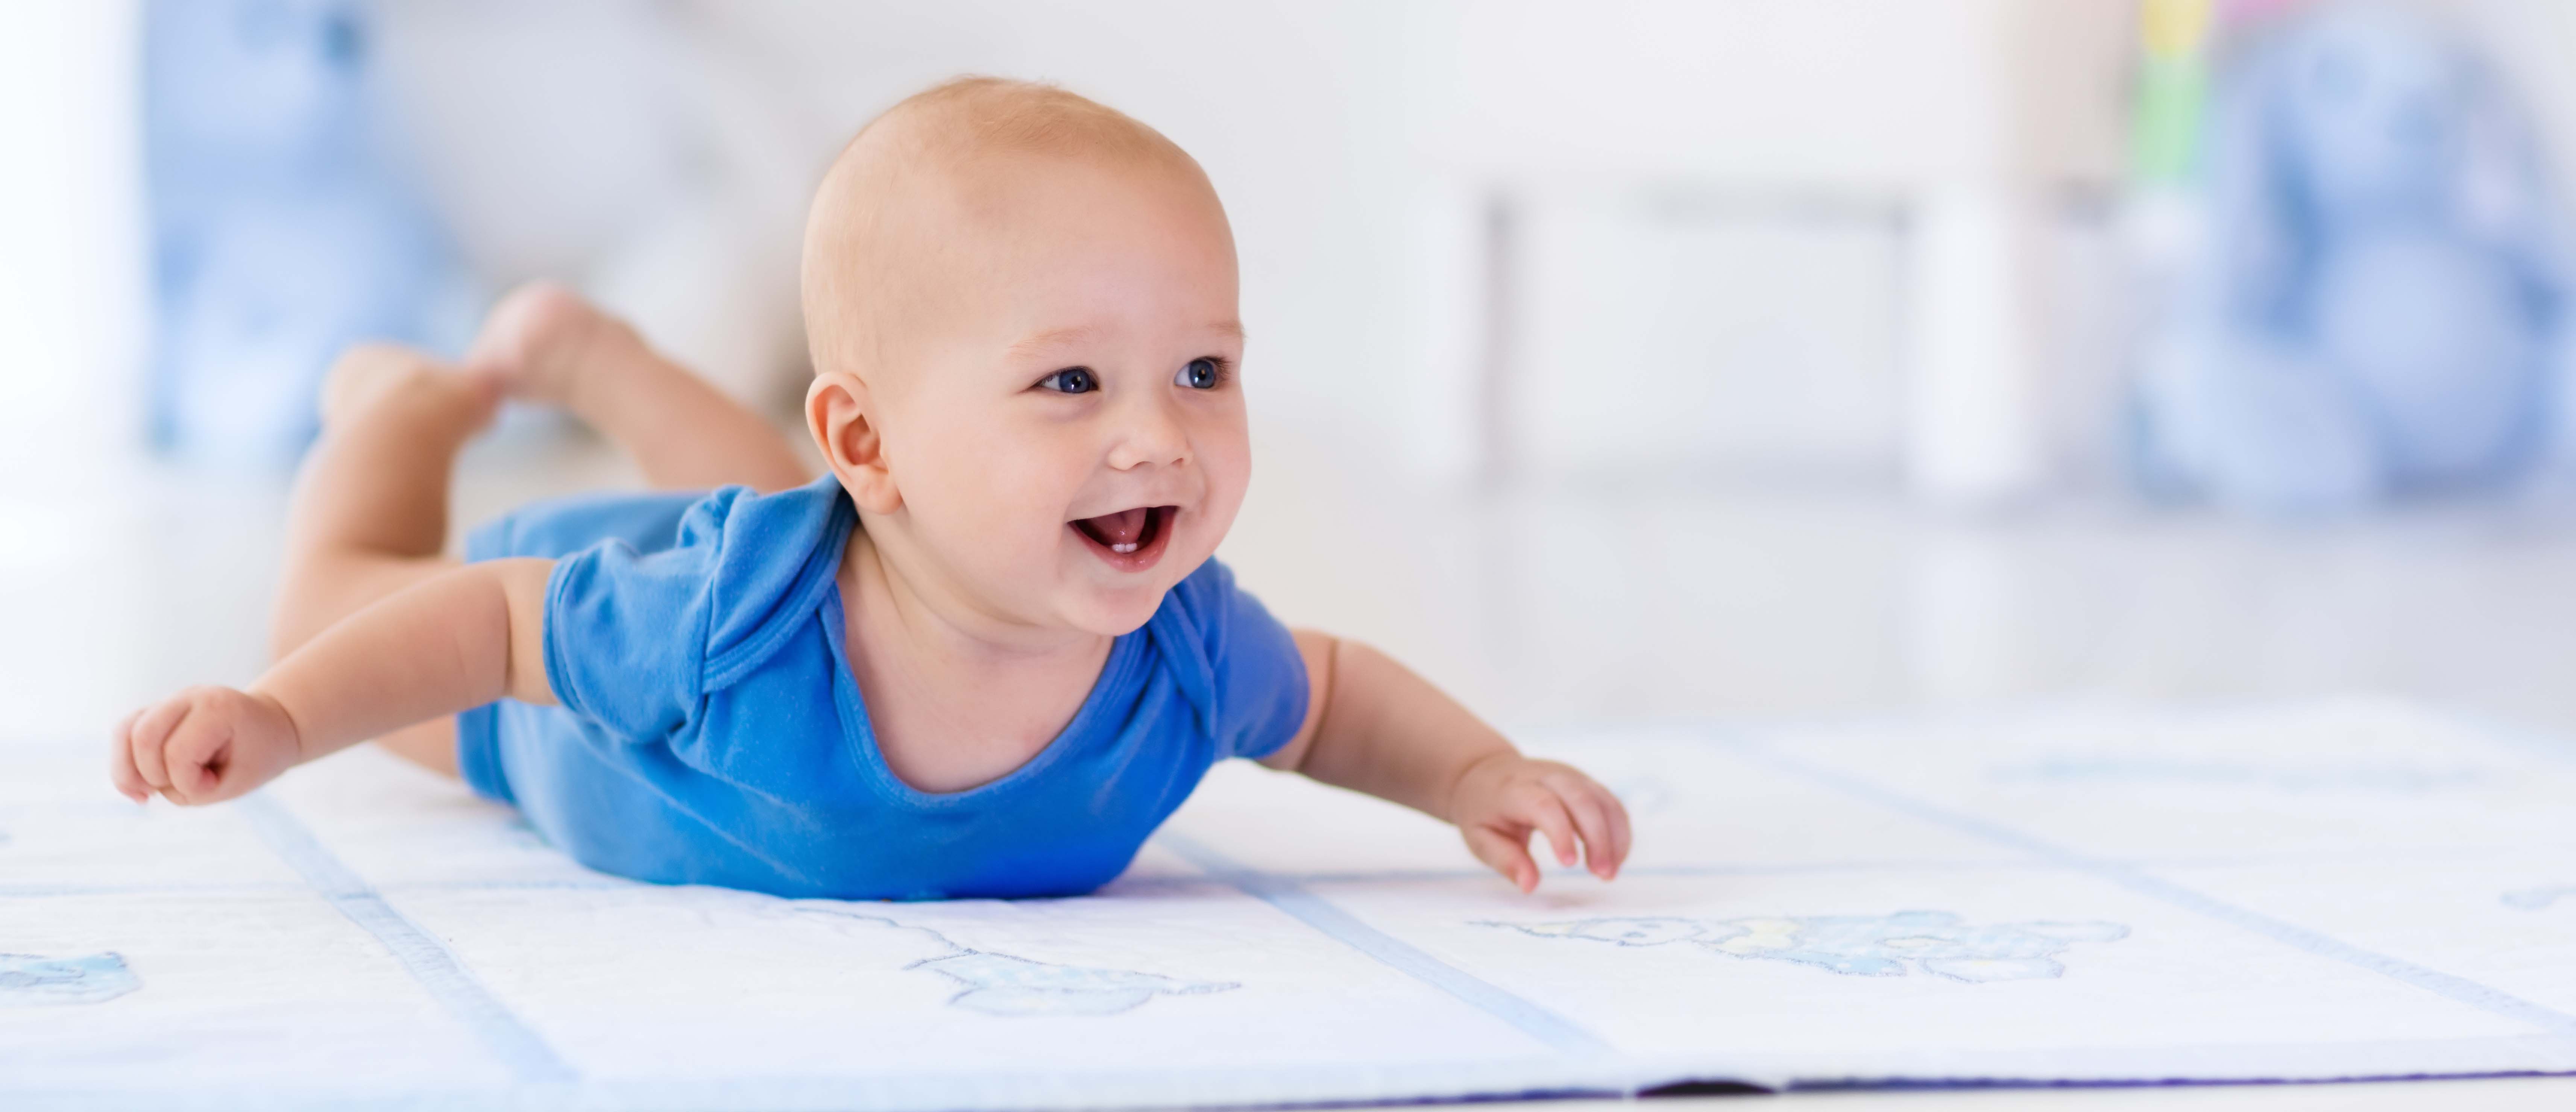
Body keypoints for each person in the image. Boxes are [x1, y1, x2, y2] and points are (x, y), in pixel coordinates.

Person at [108, 77, 1630, 900]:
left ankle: (606, 358)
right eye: (1072, 382)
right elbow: (489, 627)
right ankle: (400, 399)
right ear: (878, 437)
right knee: (346, 580)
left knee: (793, 514)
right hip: (575, 693)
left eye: (1203, 372)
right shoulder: (704, 621)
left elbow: (1335, 697)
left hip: (817, 548)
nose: (1158, 436)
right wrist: (287, 715)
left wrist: (1478, 775)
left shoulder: (1182, 644)